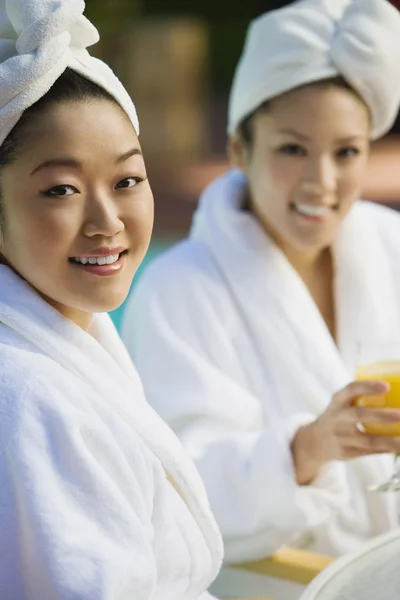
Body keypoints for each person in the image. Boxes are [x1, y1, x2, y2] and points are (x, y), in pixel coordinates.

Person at [122, 0, 400, 597]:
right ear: (239, 149)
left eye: (346, 151)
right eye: (292, 149)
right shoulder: (178, 292)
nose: (321, 181)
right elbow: (176, 496)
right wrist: (308, 447)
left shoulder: (389, 243)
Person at [0, 0, 224, 598]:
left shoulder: (72, 340)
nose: (107, 221)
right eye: (62, 189)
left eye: (127, 180)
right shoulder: (27, 395)